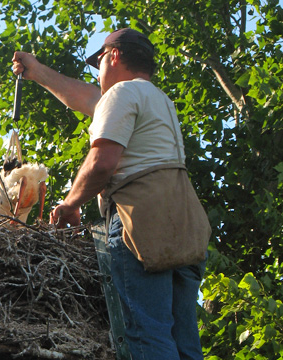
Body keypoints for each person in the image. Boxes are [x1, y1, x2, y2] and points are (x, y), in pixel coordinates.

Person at [12, 28, 206, 360]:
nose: (97, 74)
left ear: (112, 56)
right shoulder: (158, 100)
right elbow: (86, 98)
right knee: (184, 342)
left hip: (141, 223)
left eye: (98, 62)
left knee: (148, 334)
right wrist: (38, 71)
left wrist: (70, 203)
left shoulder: (121, 95)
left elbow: (102, 164)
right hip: (186, 225)